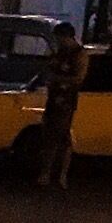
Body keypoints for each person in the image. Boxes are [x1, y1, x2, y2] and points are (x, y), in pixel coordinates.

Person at [36, 23, 91, 190]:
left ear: (67, 37)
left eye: (60, 38)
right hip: (54, 99)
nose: (58, 42)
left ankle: (61, 175)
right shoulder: (61, 52)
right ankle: (46, 173)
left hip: (66, 101)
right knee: (49, 137)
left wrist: (56, 79)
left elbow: (78, 79)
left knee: (62, 138)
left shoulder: (79, 55)